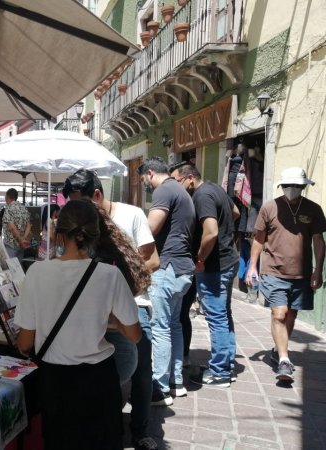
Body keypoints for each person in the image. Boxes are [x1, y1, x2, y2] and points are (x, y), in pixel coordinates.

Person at [15, 200, 141, 450]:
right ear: (96, 234)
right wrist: (107, 317)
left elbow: (25, 342)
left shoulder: (37, 272)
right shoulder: (109, 274)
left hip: (55, 381)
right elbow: (135, 335)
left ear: (58, 233)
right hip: (98, 379)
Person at [62, 168, 159, 449]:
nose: (76, 210)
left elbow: (153, 260)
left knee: (140, 369)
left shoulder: (132, 214)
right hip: (91, 309)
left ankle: (140, 431)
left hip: (132, 303)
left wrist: (121, 283)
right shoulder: (80, 223)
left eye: (81, 202)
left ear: (97, 194)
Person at [246, 167, 326, 383]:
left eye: (297, 186)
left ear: (303, 187)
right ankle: (284, 360)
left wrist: (318, 270)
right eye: (289, 186)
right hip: (273, 271)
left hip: (301, 274)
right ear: (282, 186)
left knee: (291, 315)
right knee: (279, 314)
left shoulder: (314, 209)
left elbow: (318, 241)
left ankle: (277, 349)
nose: (292, 189)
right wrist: (252, 266)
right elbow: (259, 238)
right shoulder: (269, 208)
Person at [171, 163, 240, 388]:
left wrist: (200, 259)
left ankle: (219, 372)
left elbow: (210, 231)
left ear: (189, 178)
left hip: (214, 266)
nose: (176, 187)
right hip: (229, 260)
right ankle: (227, 364)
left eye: (177, 181)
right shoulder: (215, 189)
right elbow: (236, 212)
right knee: (224, 314)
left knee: (216, 317)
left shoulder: (202, 196)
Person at [138, 156, 196, 405]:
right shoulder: (181, 191)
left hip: (168, 268)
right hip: (183, 269)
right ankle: (177, 382)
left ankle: (160, 388)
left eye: (144, 180)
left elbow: (150, 229)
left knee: (161, 328)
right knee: (174, 325)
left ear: (151, 173)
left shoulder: (164, 191)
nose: (146, 185)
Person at [2, 188, 31, 261]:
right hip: (21, 245)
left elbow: (11, 227)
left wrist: (20, 239)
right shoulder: (24, 208)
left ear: (7, 197)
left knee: (10, 267)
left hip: (11, 244)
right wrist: (23, 238)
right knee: (18, 267)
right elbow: (28, 225)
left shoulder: (8, 209)